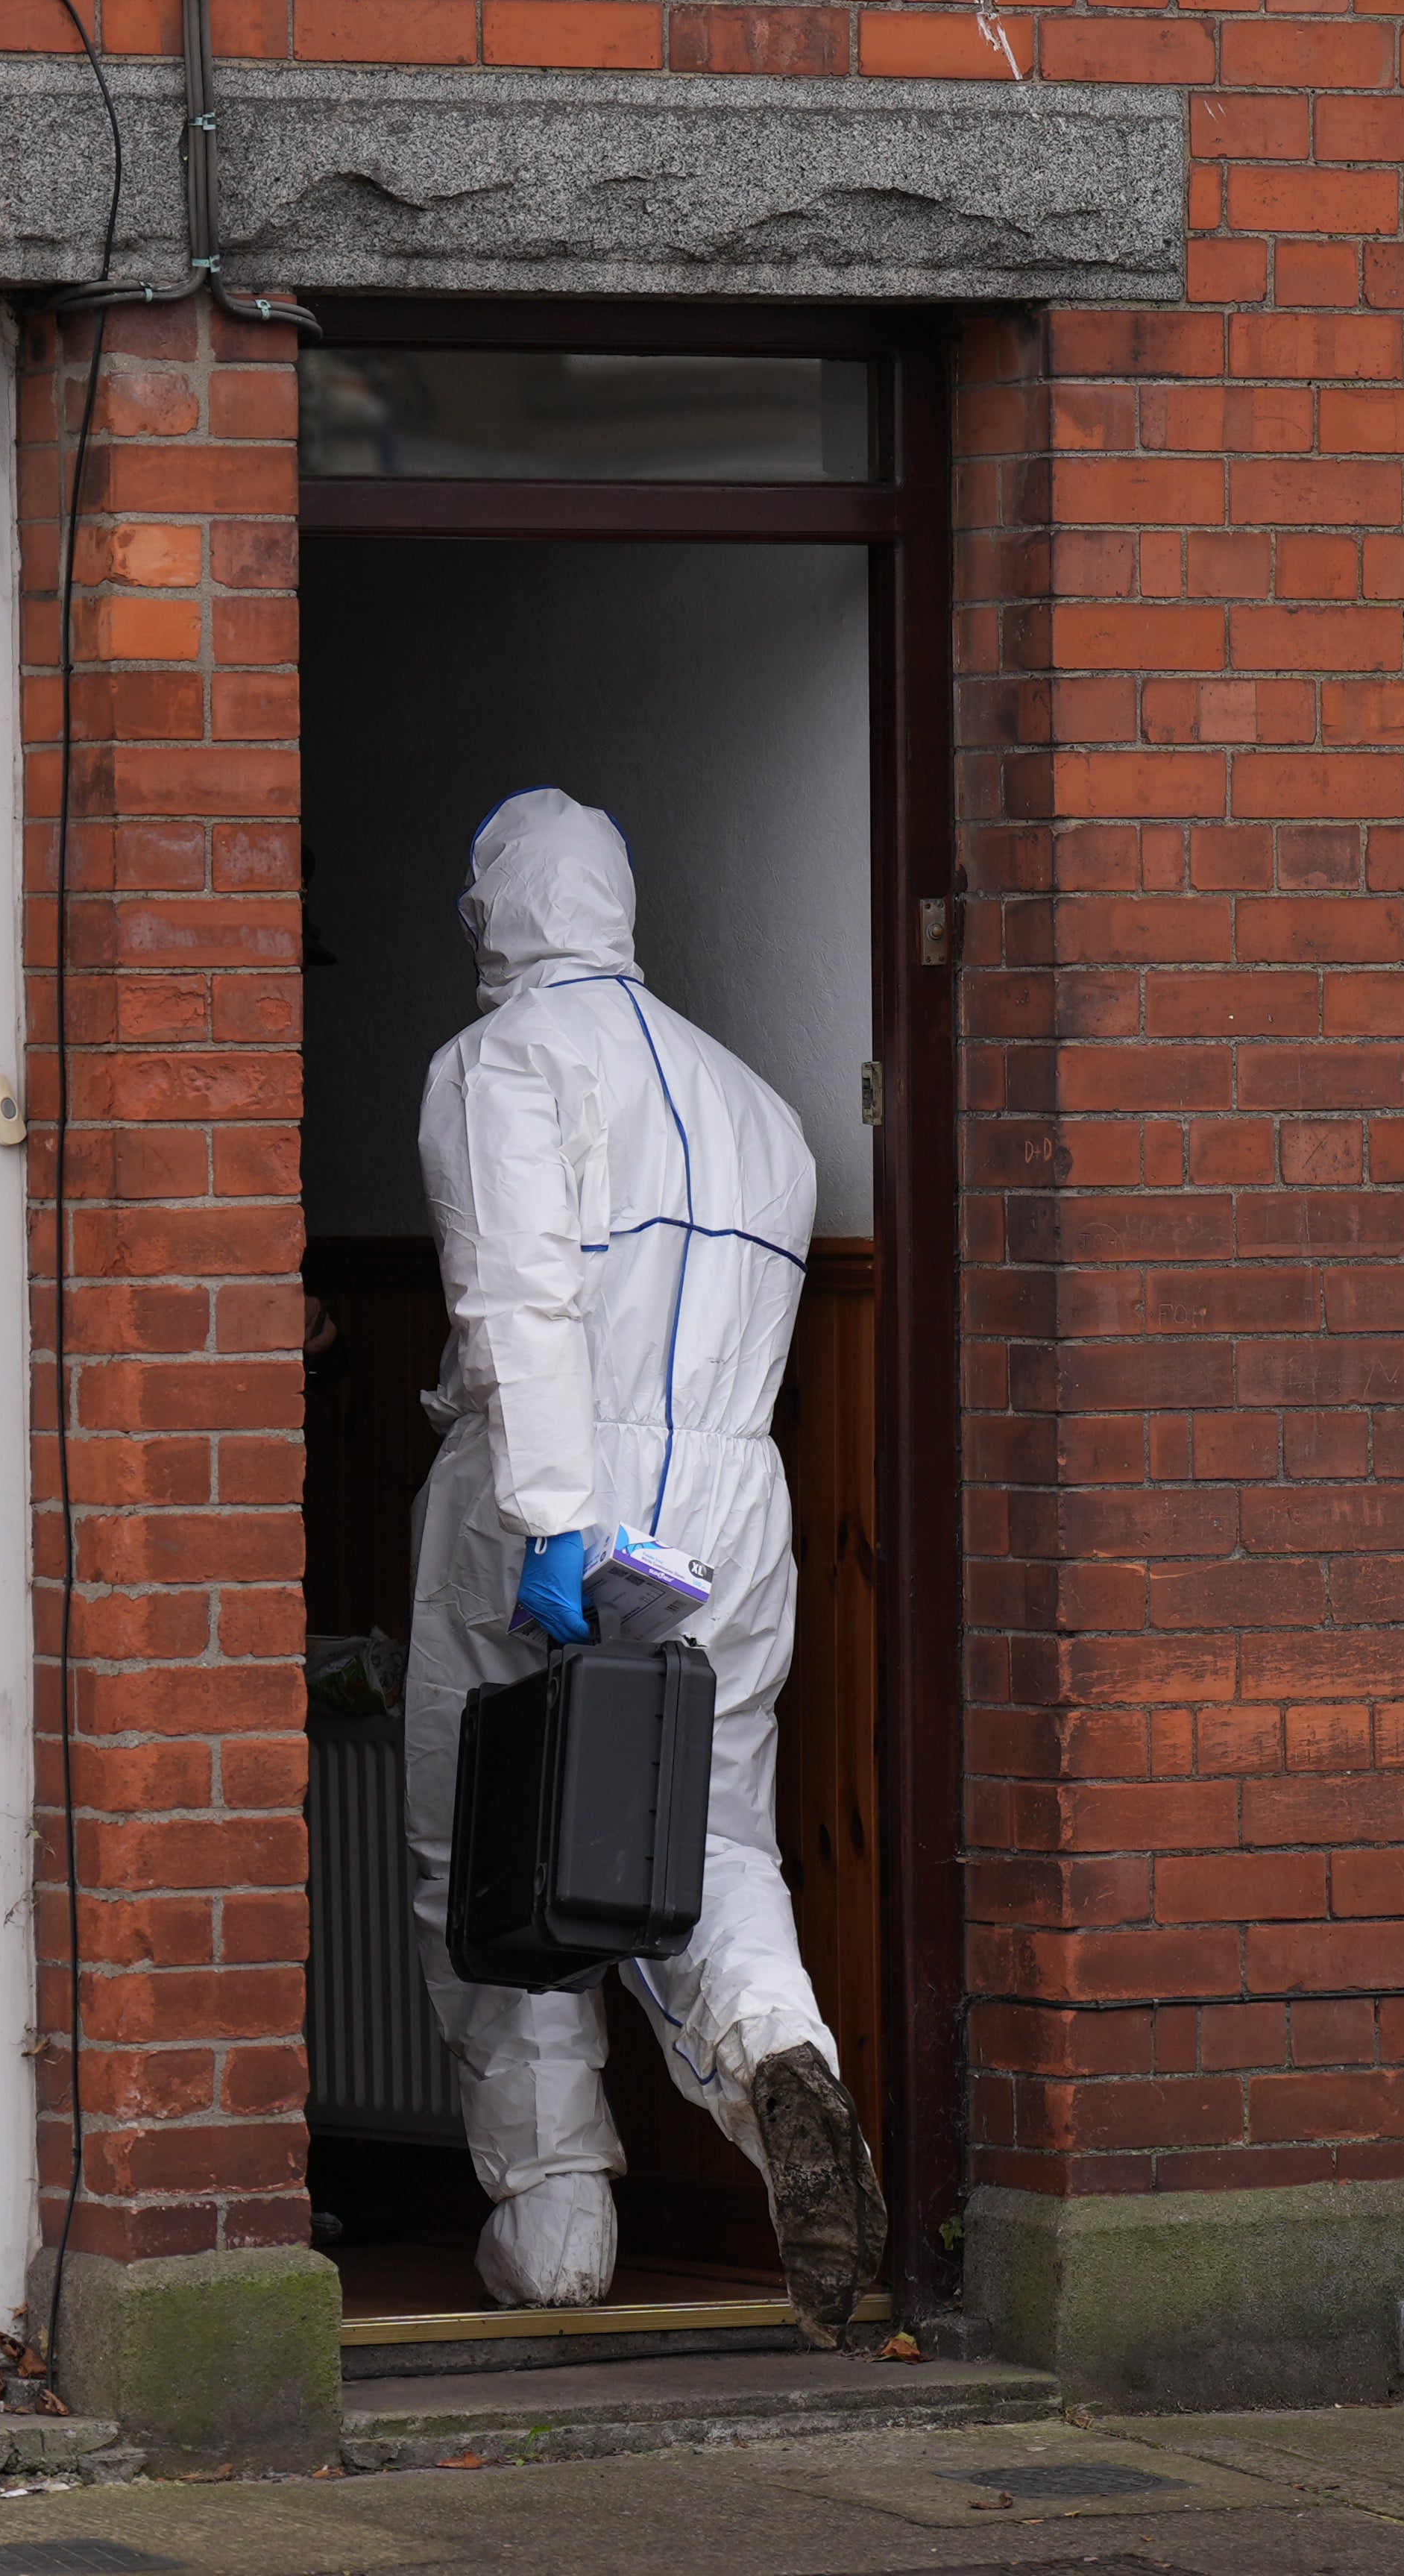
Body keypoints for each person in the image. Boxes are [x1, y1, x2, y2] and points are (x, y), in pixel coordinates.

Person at [397, 788, 887, 2340]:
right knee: (709, 1837)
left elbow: (518, 1303)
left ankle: (554, 2232)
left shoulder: (502, 1066)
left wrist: (551, 1518)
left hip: (557, 1492)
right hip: (729, 1514)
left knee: (493, 1851)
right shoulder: (759, 1107)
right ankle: (777, 2051)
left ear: (499, 912)